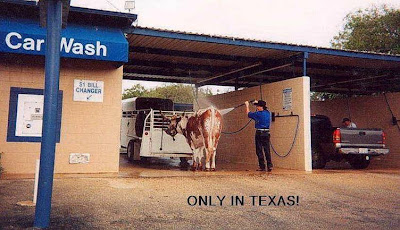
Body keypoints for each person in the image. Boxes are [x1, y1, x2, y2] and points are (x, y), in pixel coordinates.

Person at [245, 100, 273, 172]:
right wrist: (256, 102)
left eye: (258, 106)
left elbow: (248, 114)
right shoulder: (268, 113)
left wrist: (247, 105)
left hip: (259, 133)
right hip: (267, 133)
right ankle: (270, 166)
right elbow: (260, 106)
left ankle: (262, 166)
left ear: (261, 107)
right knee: (267, 150)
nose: (257, 107)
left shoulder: (258, 114)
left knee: (259, 150)